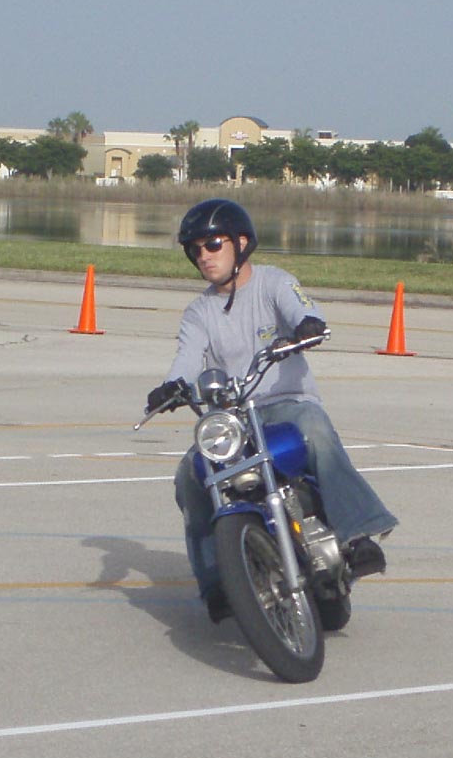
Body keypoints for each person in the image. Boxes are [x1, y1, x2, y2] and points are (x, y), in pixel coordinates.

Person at [146, 198, 398, 623]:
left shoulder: (274, 283)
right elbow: (187, 358)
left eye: (213, 244)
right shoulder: (199, 312)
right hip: (236, 419)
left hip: (287, 405)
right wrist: (172, 386)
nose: (204, 256)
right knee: (190, 476)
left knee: (314, 429)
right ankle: (217, 582)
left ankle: (357, 535)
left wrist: (307, 325)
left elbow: (302, 307)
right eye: (195, 249)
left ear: (241, 243)